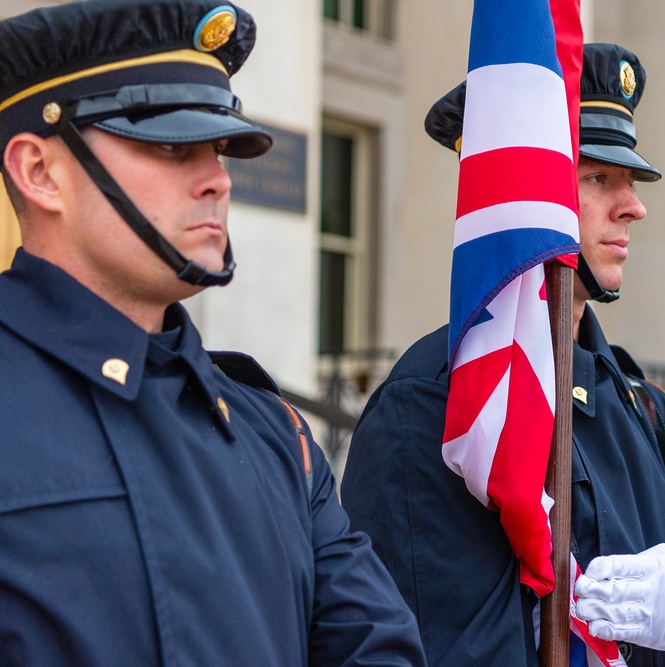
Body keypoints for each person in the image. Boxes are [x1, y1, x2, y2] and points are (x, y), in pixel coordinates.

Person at [341, 43, 665, 666]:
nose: (634, 206)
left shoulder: (652, 418)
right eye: (599, 177)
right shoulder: (438, 406)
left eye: (629, 181)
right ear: (521, 192)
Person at [0, 1, 426, 664]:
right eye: (172, 146)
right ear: (39, 171)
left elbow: (376, 648)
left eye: (219, 147)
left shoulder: (276, 434)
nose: (219, 179)